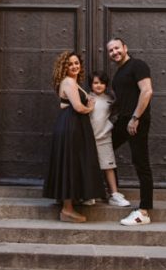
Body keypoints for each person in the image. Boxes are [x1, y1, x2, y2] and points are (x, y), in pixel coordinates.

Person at [42, 51, 106, 222]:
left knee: (71, 164)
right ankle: (67, 210)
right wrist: (90, 107)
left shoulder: (73, 82)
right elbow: (78, 107)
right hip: (71, 125)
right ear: (64, 67)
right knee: (69, 164)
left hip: (72, 125)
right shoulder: (69, 82)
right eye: (70, 64)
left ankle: (69, 205)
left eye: (76, 63)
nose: (74, 66)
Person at [107, 37, 155, 226]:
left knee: (141, 162)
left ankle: (144, 211)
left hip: (137, 121)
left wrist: (135, 118)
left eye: (117, 48)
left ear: (125, 48)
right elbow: (122, 100)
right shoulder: (119, 74)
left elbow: (147, 91)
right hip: (123, 120)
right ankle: (112, 193)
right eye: (111, 50)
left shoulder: (138, 65)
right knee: (103, 149)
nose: (114, 52)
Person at [87, 71, 132, 208]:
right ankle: (88, 194)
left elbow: (117, 113)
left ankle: (114, 194)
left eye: (101, 83)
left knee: (109, 166)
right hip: (88, 139)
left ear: (106, 85)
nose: (99, 85)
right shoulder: (87, 98)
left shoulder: (110, 99)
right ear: (91, 85)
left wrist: (110, 125)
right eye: (95, 83)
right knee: (88, 167)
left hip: (104, 138)